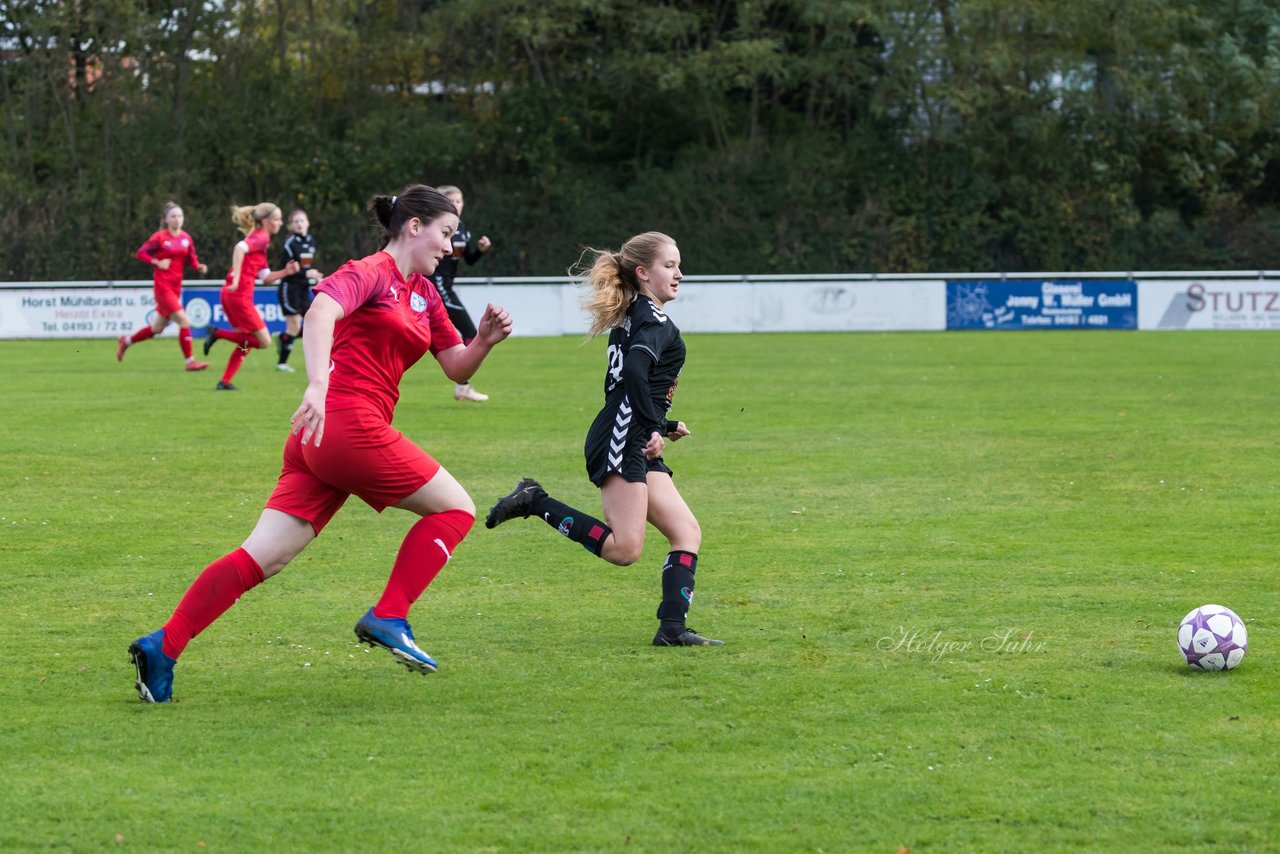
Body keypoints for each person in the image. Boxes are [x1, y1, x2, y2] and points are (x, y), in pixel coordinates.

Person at [128, 184, 514, 703]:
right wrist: (316, 384)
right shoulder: (370, 270)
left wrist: (484, 341)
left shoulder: (424, 294)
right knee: (457, 510)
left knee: (262, 557)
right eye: (445, 233)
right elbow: (320, 313)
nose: (450, 245)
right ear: (414, 226)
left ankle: (163, 647)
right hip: (347, 425)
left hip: (319, 439)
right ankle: (390, 614)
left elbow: (455, 366)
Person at [485, 231, 723, 647]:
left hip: (629, 428)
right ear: (644, 272)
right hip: (623, 435)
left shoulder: (635, 315)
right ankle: (535, 500)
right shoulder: (652, 320)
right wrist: (653, 426)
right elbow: (633, 373)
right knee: (623, 549)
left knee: (686, 531)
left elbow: (634, 386)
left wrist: (663, 425)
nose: (679, 274)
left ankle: (672, 630)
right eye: (670, 266)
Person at [202, 202, 299, 390]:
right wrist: (237, 278)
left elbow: (266, 278)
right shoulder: (261, 237)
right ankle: (217, 333)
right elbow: (240, 248)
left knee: (247, 341)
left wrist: (286, 272)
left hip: (230, 295)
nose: (279, 223)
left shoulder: (261, 244)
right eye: (277, 219)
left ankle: (225, 381)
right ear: (265, 221)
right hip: (239, 297)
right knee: (264, 341)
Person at [117, 202, 211, 371]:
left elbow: (191, 258)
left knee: (156, 329)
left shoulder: (186, 238)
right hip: (162, 287)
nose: (177, 220)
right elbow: (141, 253)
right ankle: (190, 361)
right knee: (184, 321)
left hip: (175, 288)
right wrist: (157, 262)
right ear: (167, 220)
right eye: (173, 216)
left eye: (180, 216)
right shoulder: (159, 237)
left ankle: (127, 341)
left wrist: (198, 266)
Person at [430, 185, 493, 402]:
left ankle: (462, 384)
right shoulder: (436, 226)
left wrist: (481, 251)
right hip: (435, 286)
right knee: (469, 332)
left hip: (446, 287)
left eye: (459, 201)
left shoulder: (462, 228)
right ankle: (462, 385)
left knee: (459, 334)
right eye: (452, 201)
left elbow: (469, 260)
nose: (457, 205)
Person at [275, 208, 325, 372]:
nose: (299, 224)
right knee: (295, 326)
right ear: (291, 226)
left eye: (302, 220)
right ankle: (281, 363)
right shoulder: (290, 244)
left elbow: (305, 266)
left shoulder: (310, 241)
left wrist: (314, 275)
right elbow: (285, 269)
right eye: (296, 221)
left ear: (308, 223)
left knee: (313, 321)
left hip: (303, 288)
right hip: (289, 289)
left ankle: (283, 338)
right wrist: (307, 272)